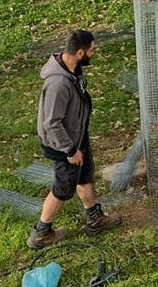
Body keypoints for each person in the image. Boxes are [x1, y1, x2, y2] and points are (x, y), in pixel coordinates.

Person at [27, 30, 121, 249]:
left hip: (77, 136)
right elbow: (51, 123)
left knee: (85, 176)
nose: (94, 53)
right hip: (63, 144)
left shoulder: (72, 69)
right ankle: (41, 233)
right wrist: (70, 151)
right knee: (63, 188)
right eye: (92, 50)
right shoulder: (58, 84)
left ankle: (94, 219)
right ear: (80, 52)